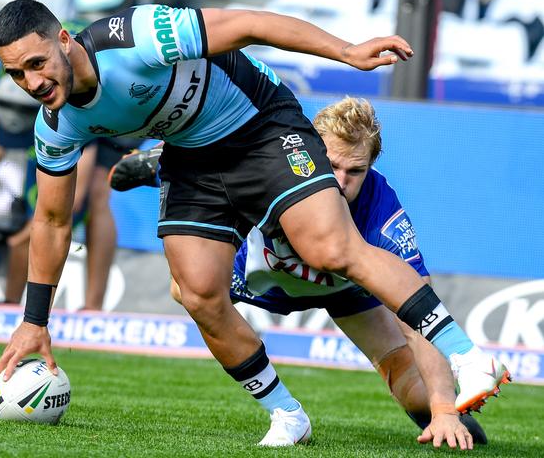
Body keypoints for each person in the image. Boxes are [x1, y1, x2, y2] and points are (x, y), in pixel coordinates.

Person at [0, 0, 509, 448]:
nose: (32, 83)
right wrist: (35, 321)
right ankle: (288, 414)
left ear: (63, 39)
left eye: (37, 63)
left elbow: (249, 23)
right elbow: (53, 221)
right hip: (192, 159)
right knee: (195, 291)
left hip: (258, 126)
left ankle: (465, 356)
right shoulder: (56, 124)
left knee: (329, 247)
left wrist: (347, 52)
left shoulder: (135, 36)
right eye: (17, 74)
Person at [111, 96, 488, 448]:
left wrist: (444, 410)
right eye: (332, 165)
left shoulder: (380, 207)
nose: (340, 182)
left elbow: (417, 317)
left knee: (411, 383)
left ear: (370, 167)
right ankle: (161, 163)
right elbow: (209, 190)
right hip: (261, 275)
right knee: (186, 289)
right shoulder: (271, 171)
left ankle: (443, 421)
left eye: (355, 171)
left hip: (344, 287)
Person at [0, 57, 138, 310]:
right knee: (34, 204)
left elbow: (72, 199)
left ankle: (93, 306)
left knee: (95, 195)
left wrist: (29, 232)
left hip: (110, 107)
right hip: (61, 101)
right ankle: (11, 301)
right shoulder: (1, 72)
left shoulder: (69, 92)